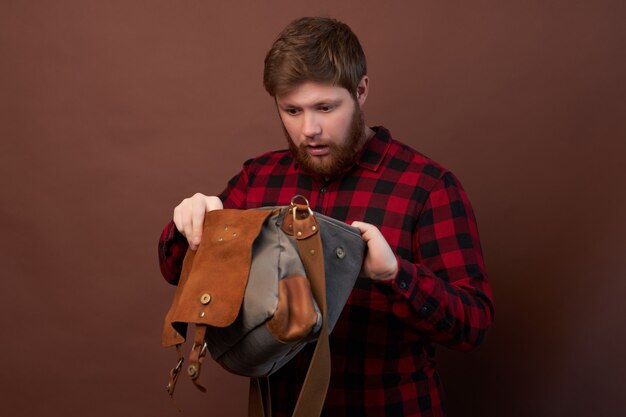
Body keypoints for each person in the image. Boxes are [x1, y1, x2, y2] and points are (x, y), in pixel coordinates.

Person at [158, 16, 494, 417]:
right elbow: (174, 270)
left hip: (389, 408)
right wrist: (189, 226)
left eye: (325, 107)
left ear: (361, 90)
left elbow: (472, 325)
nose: (309, 129)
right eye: (292, 110)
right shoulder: (259, 177)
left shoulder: (428, 186)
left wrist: (396, 275)